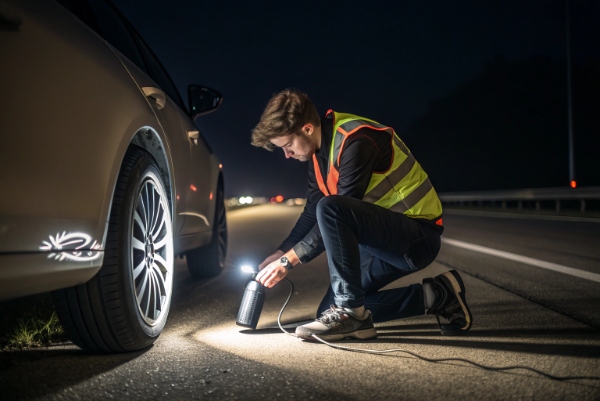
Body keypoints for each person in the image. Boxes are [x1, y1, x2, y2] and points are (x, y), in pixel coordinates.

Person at [251, 89, 472, 341]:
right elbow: (313, 211)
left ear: (308, 128)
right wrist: (280, 253)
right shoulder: (317, 156)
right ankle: (438, 295)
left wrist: (288, 262)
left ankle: (352, 314)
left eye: (288, 145)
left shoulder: (357, 139)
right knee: (327, 311)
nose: (287, 155)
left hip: (416, 237)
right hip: (380, 243)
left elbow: (338, 211)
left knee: (332, 208)